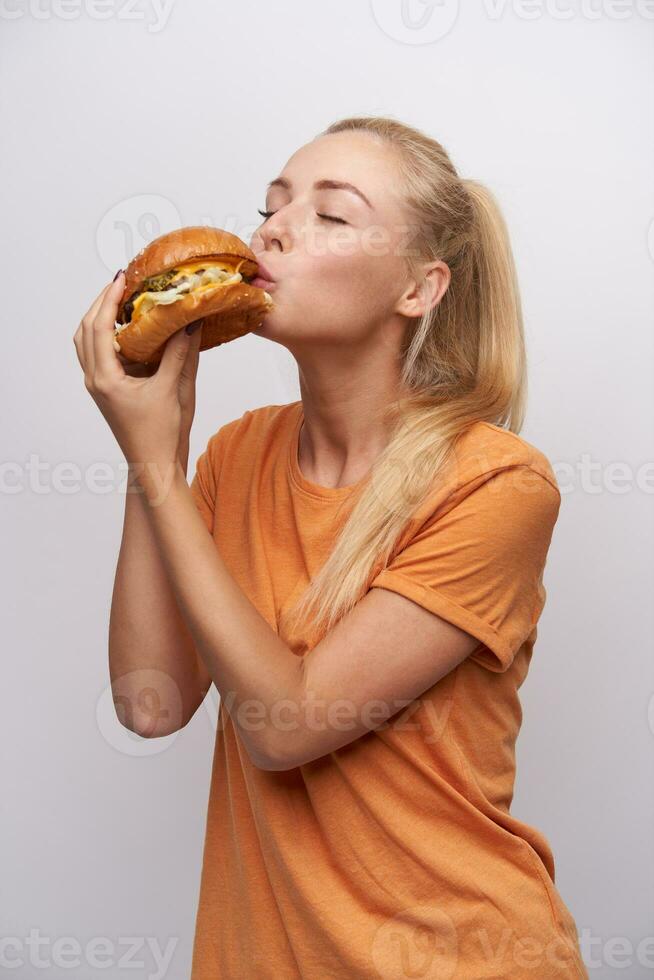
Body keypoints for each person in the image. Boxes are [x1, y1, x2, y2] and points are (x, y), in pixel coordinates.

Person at [74, 115, 588, 978]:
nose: (273, 227)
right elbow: (151, 705)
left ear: (418, 290)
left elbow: (288, 726)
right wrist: (151, 455)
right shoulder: (237, 455)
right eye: (271, 206)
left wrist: (162, 466)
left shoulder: (497, 485)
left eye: (332, 214)